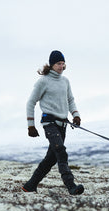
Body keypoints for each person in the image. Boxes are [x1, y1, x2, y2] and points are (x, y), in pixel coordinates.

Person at [22, 50, 84, 195]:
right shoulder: (43, 81)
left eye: (63, 64)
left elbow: (70, 100)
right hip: (49, 123)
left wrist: (76, 116)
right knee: (61, 152)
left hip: (63, 124)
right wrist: (31, 126)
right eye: (58, 64)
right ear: (51, 65)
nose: (61, 66)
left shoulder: (65, 81)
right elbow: (31, 102)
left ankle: (30, 185)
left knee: (51, 159)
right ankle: (71, 186)